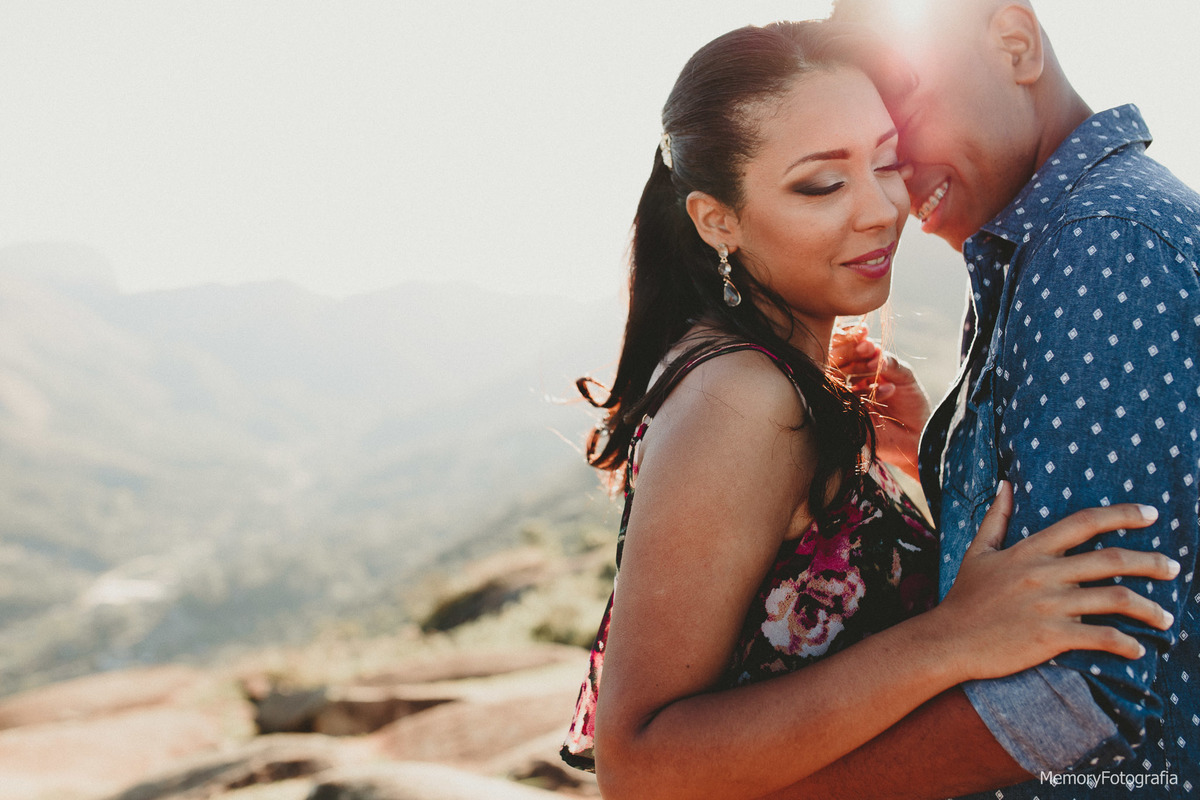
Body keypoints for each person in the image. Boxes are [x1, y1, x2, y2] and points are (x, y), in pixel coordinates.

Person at [558, 21, 1178, 800]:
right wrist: (948, 641)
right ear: (718, 219)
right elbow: (641, 767)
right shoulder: (744, 396)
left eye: (887, 162)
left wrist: (925, 455)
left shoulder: (783, 378)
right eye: (822, 184)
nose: (884, 208)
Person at [815, 1, 1200, 797]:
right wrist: (936, 449)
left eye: (904, 113)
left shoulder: (1102, 245)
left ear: (1016, 45)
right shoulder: (1055, 238)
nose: (892, 186)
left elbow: (1077, 692)